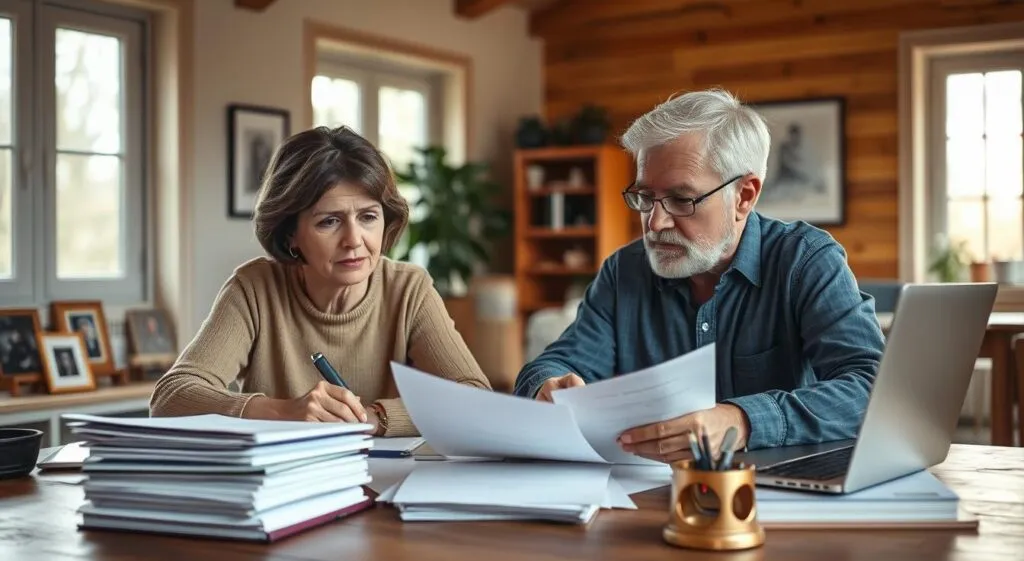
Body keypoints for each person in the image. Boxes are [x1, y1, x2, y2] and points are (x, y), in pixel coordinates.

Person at [514, 89, 885, 461]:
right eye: (645, 197)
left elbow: (871, 386)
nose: (655, 223)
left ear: (744, 196)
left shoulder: (805, 262)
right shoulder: (623, 272)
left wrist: (742, 421)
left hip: (781, 494)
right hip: (649, 494)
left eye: (681, 199)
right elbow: (557, 364)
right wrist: (547, 385)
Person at [151, 126, 491, 436]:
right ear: (290, 235)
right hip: (282, 489)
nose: (354, 239)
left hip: (390, 484)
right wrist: (280, 411)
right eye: (329, 222)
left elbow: (477, 400)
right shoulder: (255, 288)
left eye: (368, 217)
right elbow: (171, 397)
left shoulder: (409, 289)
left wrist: (375, 418)